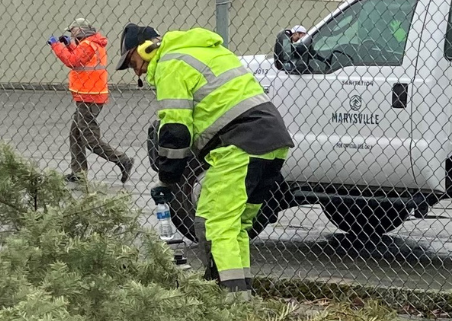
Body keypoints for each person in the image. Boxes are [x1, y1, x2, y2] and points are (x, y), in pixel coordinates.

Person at [117, 23, 294, 298]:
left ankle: (232, 306)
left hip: (239, 144)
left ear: (146, 49)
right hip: (272, 142)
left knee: (217, 225)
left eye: (132, 62)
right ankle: (242, 296)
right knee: (236, 226)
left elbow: (175, 131)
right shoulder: (202, 50)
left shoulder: (170, 65)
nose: (135, 70)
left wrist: (167, 180)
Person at [48, 18, 133, 183]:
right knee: (76, 134)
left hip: (89, 96)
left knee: (90, 139)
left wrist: (56, 46)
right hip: (89, 95)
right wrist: (68, 45)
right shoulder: (92, 43)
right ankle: (79, 172)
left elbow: (73, 61)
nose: (72, 35)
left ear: (79, 30)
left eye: (72, 32)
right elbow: (81, 58)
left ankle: (122, 159)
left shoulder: (88, 44)